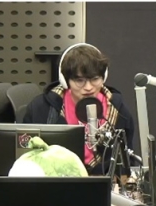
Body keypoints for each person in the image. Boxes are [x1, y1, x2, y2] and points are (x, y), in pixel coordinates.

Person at [23, 43, 136, 176]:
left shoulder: (119, 111)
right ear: (65, 81)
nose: (88, 87)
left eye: (95, 79)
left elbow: (126, 162)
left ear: (103, 77)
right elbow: (27, 156)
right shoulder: (41, 108)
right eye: (80, 80)